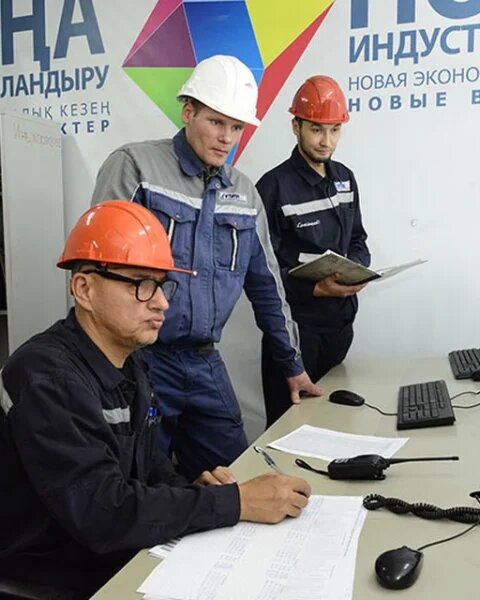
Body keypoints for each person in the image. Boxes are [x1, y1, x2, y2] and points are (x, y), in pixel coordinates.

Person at [0, 201, 311, 599]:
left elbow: (150, 467)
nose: (162, 302)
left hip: (110, 558)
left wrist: (193, 491)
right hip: (51, 578)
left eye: (163, 284)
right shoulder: (47, 377)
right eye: (141, 284)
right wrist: (235, 502)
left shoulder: (131, 363)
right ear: (84, 289)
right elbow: (103, 513)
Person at [91, 55, 321, 480]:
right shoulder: (136, 168)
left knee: (237, 478)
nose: (226, 138)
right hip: (142, 359)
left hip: (203, 362)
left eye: (236, 127)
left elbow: (267, 287)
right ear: (188, 112)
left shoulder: (245, 195)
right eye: (216, 122)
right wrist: (108, 369)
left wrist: (292, 365)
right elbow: (100, 270)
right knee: (139, 481)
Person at [256, 76, 371, 427]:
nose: (326, 141)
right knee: (290, 426)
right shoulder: (272, 187)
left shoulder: (345, 178)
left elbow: (358, 239)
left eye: (335, 130)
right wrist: (313, 289)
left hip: (341, 324)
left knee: (335, 423)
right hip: (296, 332)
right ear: (296, 127)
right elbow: (260, 270)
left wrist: (358, 269)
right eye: (317, 130)